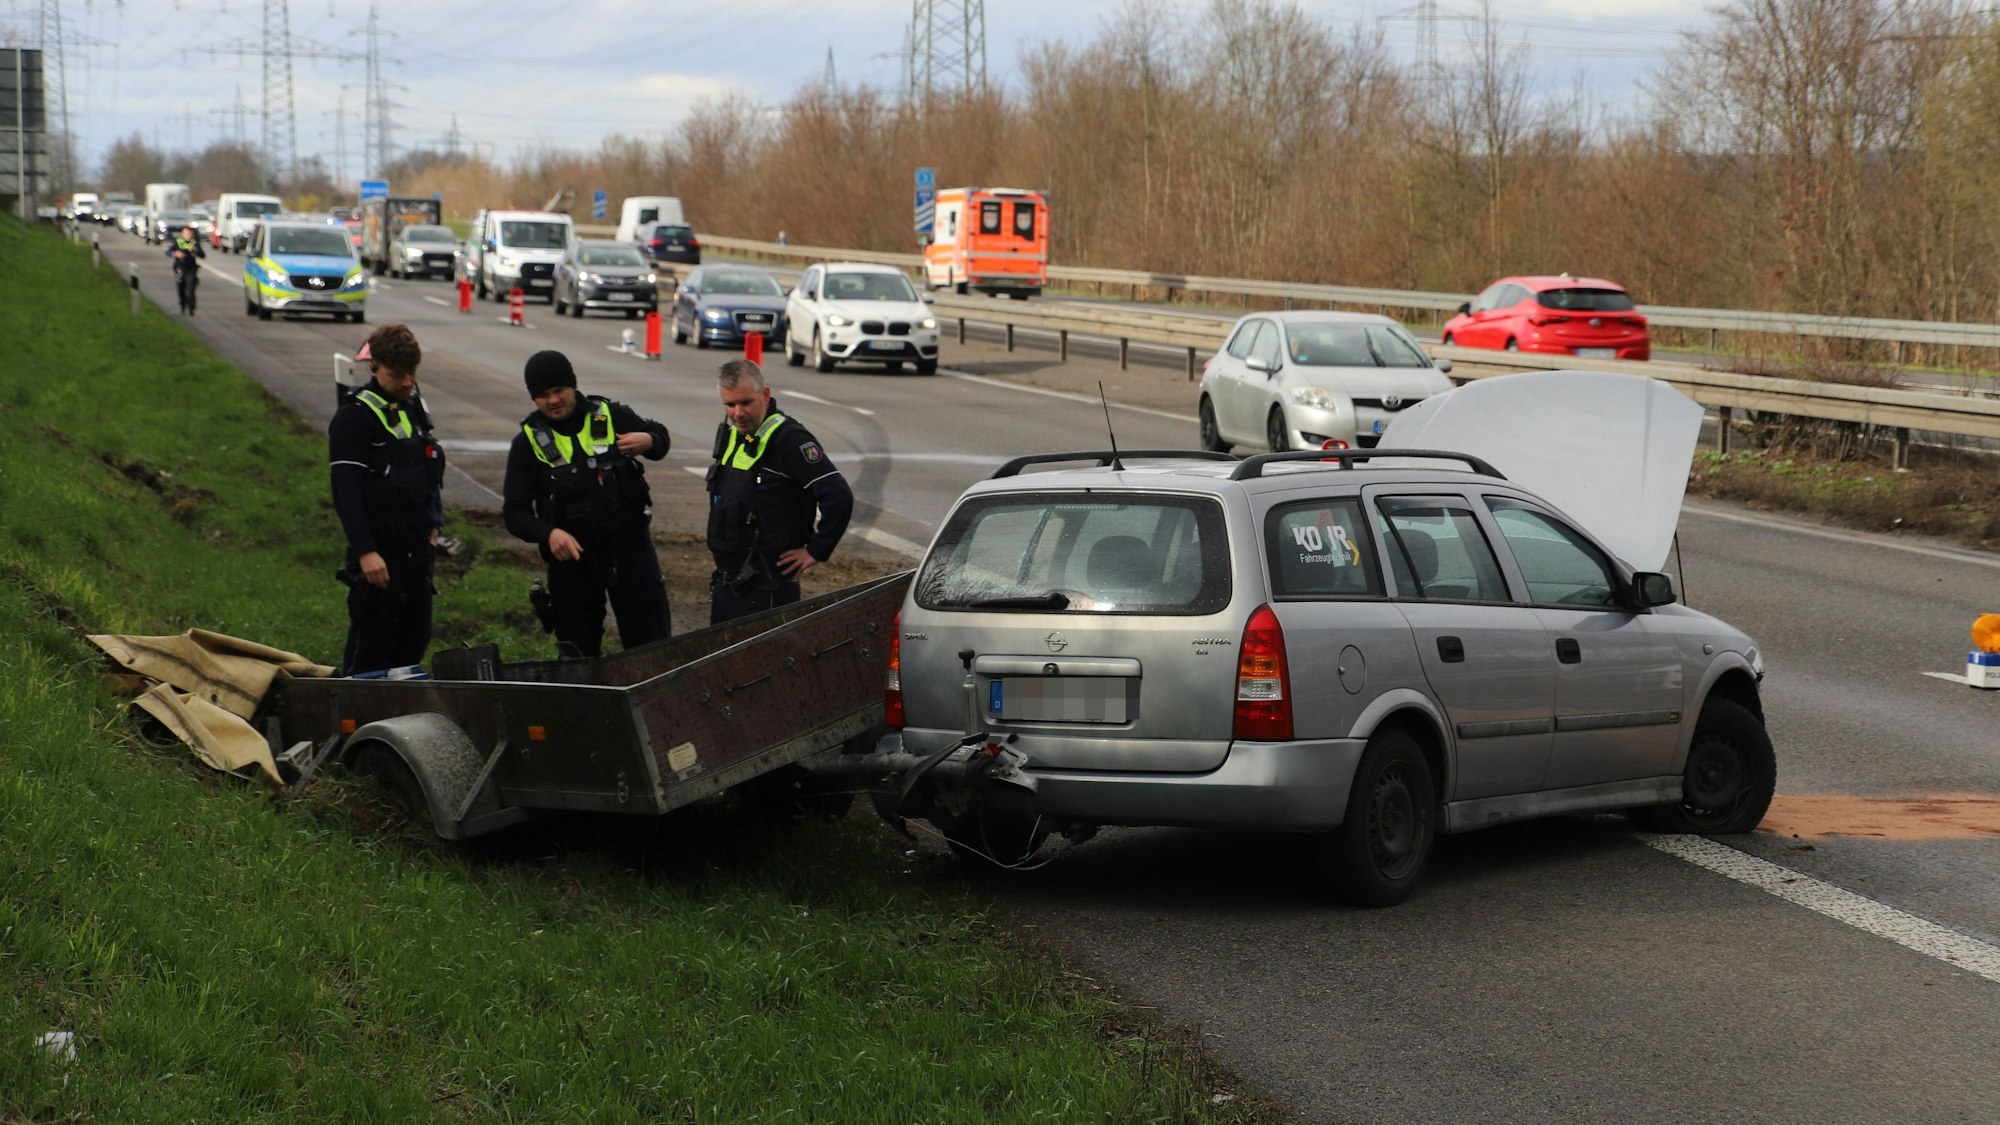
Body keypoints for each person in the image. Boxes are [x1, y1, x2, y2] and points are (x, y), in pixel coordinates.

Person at [502, 350, 673, 658]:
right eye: (543, 395)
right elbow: (515, 512)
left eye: (559, 391)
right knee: (578, 658)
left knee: (652, 650)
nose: (553, 400)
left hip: (630, 553)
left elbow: (660, 437)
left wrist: (649, 441)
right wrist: (549, 534)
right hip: (574, 564)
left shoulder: (610, 415)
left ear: (573, 386)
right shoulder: (527, 443)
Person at [328, 324, 445, 676]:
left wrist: (434, 524)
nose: (408, 382)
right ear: (373, 367)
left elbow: (429, 473)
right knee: (370, 658)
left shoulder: (412, 408)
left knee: (411, 653)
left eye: (413, 373)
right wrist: (365, 551)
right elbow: (346, 488)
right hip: (379, 556)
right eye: (398, 375)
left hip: (417, 556)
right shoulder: (354, 417)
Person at [706, 359, 853, 624]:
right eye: (730, 404)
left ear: (765, 395)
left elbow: (837, 495)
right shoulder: (735, 436)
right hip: (728, 586)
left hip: (767, 590)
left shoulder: (790, 439)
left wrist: (816, 550)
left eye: (746, 402)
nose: (738, 413)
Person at [167, 224, 205, 315]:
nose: (188, 235)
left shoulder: (194, 243)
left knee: (191, 287)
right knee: (181, 288)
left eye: (190, 234)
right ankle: (182, 305)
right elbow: (168, 252)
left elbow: (203, 255)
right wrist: (176, 254)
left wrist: (195, 251)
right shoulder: (177, 242)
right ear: (182, 234)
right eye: (186, 233)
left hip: (191, 269)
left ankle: (191, 307)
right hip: (179, 269)